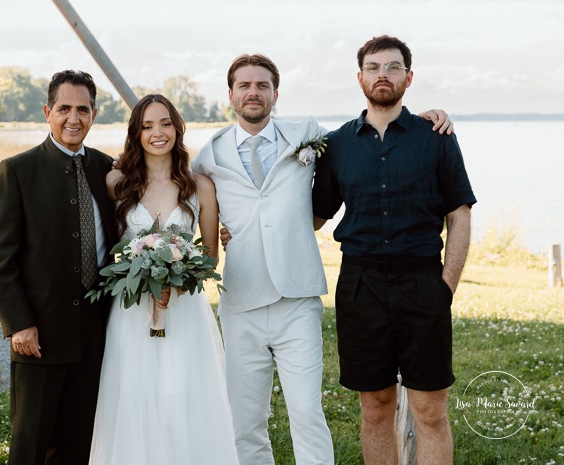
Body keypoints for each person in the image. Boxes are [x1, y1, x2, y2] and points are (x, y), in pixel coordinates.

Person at [193, 53, 454, 465]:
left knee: (307, 414)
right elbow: (176, 190)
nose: (253, 92)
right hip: (240, 298)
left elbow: (373, 130)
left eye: (262, 85)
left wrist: (422, 118)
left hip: (297, 299)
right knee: (244, 422)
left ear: (276, 93)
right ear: (230, 94)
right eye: (244, 85)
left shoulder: (308, 134)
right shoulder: (208, 154)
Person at [312, 35, 476, 465]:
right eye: (373, 67)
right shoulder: (337, 144)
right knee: (375, 407)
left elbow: (459, 215)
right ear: (360, 76)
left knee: (430, 410)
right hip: (360, 284)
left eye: (392, 67)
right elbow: (312, 218)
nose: (382, 74)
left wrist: (445, 288)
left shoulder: (436, 137)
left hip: (423, 281)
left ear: (409, 76)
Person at [88, 94, 239, 465]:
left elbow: (209, 257)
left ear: (177, 128)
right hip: (132, 312)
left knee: (182, 397)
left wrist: (179, 274)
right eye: (147, 125)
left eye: (166, 123)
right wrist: (141, 274)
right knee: (136, 397)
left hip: (185, 310)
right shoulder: (116, 183)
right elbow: (109, 247)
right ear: (136, 133)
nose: (158, 133)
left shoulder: (199, 186)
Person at [0, 70, 118, 465]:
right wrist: (19, 323)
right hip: (39, 335)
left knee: (79, 443)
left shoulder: (107, 168)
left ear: (94, 114)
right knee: (32, 442)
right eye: (64, 108)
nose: (73, 118)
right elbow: (2, 259)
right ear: (48, 111)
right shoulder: (17, 171)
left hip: (96, 335)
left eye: (83, 109)